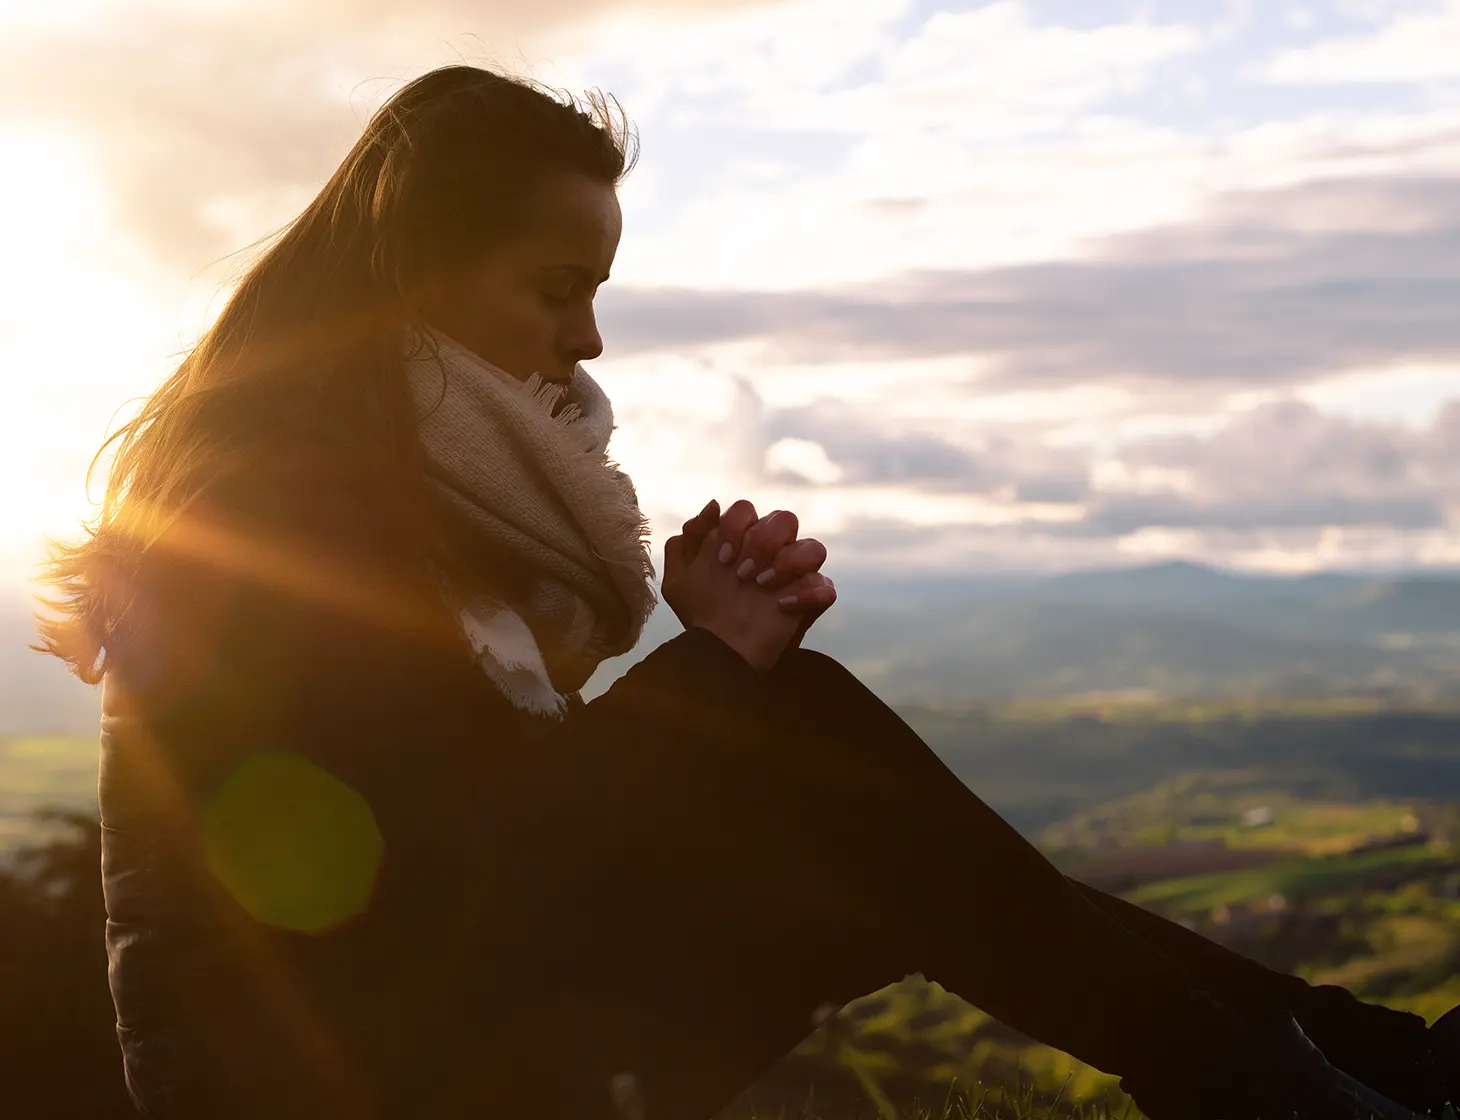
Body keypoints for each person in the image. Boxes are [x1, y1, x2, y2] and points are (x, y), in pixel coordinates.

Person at [35, 64, 1456, 1120]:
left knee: (853, 806)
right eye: (553, 288)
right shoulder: (281, 517)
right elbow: (425, 881)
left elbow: (464, 820)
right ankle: (1341, 1075)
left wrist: (706, 641)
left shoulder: (371, 492)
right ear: (410, 261)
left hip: (404, 1031)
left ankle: (1334, 1069)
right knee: (811, 752)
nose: (587, 339)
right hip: (333, 1082)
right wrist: (709, 664)